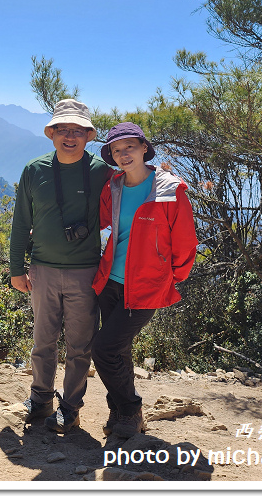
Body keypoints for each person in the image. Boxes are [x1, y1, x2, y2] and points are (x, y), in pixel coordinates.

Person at [9, 99, 112, 433]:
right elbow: (21, 221)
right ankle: (40, 399)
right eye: (63, 129)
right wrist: (16, 268)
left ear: (89, 136)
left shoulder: (102, 172)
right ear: (51, 134)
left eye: (78, 130)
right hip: (42, 271)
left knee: (80, 346)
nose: (71, 136)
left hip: (86, 272)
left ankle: (70, 408)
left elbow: (136, 187)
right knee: (43, 341)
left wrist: (162, 176)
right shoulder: (34, 170)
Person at [91, 122, 198, 438]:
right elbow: (102, 227)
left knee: (104, 349)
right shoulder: (113, 187)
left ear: (144, 148)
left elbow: (185, 242)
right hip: (110, 281)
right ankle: (120, 412)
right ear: (112, 156)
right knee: (119, 350)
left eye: (129, 148)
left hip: (146, 287)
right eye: (116, 150)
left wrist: (170, 278)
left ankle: (131, 407)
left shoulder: (168, 190)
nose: (123, 155)